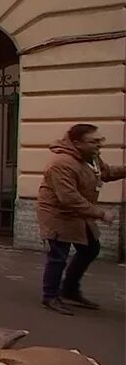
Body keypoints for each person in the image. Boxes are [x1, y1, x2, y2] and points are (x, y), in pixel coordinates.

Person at [36, 124, 124, 314]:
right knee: (58, 256)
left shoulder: (90, 158)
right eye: (94, 141)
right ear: (77, 143)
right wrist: (101, 213)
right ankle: (50, 296)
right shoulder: (61, 163)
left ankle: (69, 289)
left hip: (78, 214)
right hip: (57, 215)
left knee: (91, 248)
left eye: (100, 140)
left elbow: (105, 172)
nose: (99, 145)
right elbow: (68, 198)